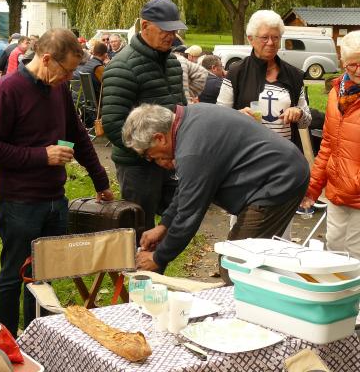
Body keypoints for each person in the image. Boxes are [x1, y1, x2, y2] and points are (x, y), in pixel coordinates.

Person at [0, 28, 114, 338]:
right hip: (19, 202)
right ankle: (5, 345)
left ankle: (35, 341)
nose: (69, 78)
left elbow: (79, 135)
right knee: (15, 275)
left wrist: (100, 180)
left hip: (55, 199)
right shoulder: (7, 90)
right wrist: (42, 156)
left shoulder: (58, 89)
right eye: (66, 70)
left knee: (43, 277)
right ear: (47, 59)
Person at [122, 104, 309, 272]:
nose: (152, 160)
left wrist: (158, 257)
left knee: (235, 264)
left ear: (159, 138)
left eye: (148, 154)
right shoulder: (189, 118)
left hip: (279, 180)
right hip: (277, 172)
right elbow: (187, 190)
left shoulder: (192, 151)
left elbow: (189, 214)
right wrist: (164, 225)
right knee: (246, 261)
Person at [102, 0, 187, 231]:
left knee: (177, 221)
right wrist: (153, 154)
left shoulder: (172, 63)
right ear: (145, 25)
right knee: (139, 228)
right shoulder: (122, 67)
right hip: (137, 165)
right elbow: (113, 124)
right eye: (165, 30)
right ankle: (136, 267)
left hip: (170, 159)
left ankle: (157, 266)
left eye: (174, 30)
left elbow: (180, 108)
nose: (171, 36)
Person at [301, 30, 360, 260]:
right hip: (337, 191)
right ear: (343, 62)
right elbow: (328, 145)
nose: (358, 70)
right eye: (353, 64)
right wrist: (313, 189)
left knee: (355, 254)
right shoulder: (337, 93)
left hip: (357, 192)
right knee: (334, 249)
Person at [217, 10, 311, 141]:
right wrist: (238, 116)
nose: (271, 43)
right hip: (248, 154)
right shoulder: (236, 72)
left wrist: (299, 113)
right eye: (265, 37)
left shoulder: (294, 75)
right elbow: (219, 118)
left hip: (283, 154)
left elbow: (306, 122)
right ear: (251, 39)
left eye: (276, 37)